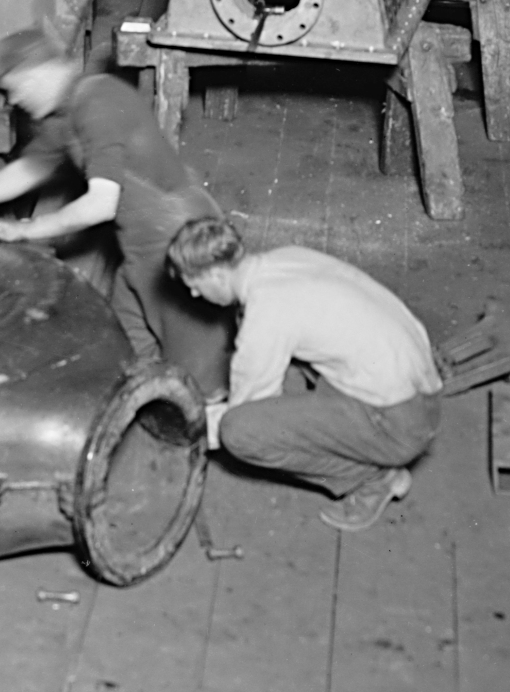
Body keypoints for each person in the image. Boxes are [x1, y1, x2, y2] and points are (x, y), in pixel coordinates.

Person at [0, 30, 227, 383]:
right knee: (127, 342)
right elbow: (31, 168)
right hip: (140, 247)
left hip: (181, 245)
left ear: (41, 73)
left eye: (16, 87)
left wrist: (24, 230)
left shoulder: (98, 105)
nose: (14, 99)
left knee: (197, 373)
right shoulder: (67, 109)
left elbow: (100, 205)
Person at [166, 217, 442, 532]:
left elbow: (245, 411)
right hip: (424, 389)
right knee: (274, 356)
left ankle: (373, 479)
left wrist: (191, 423)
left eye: (194, 286)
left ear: (216, 274)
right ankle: (351, 434)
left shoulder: (265, 314)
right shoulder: (285, 257)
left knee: (238, 432)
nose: (196, 296)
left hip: (400, 426)